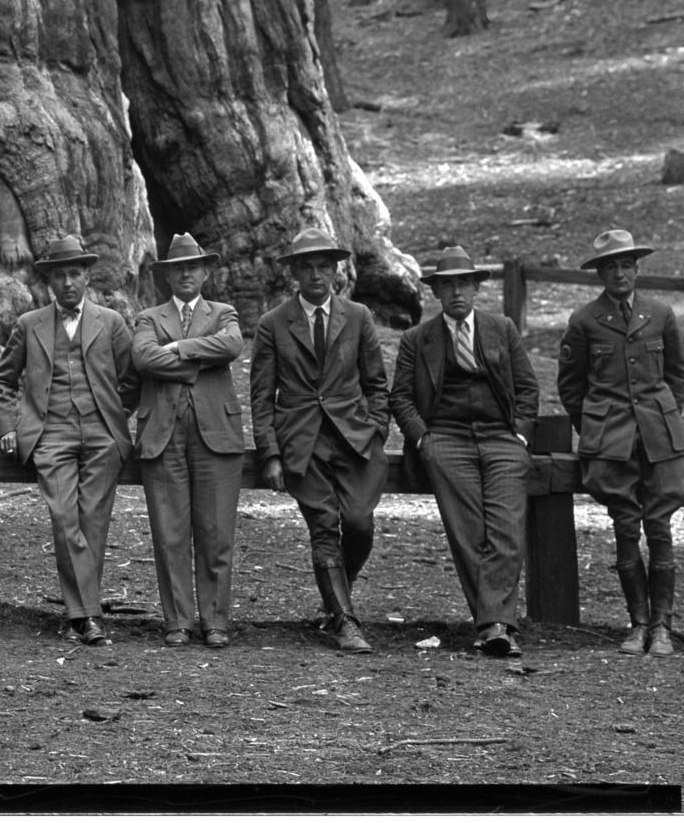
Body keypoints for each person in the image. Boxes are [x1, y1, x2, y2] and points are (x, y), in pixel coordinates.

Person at [390, 245, 539, 658]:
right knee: (467, 529)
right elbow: (400, 397)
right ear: (436, 293)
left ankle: (492, 623)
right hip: (446, 439)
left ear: (476, 288)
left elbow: (527, 388)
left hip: (501, 439)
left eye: (463, 284)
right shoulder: (417, 340)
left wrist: (521, 436)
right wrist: (423, 439)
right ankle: (497, 625)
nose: (456, 292)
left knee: (506, 527)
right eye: (447, 285)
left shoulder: (501, 328)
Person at [250, 227, 390, 654]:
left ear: (335, 270)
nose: (315, 275)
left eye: (323, 266)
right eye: (306, 267)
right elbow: (261, 397)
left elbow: (376, 384)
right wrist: (270, 453)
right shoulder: (273, 323)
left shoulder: (358, 316)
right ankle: (345, 622)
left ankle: (332, 604)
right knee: (324, 528)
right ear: (294, 273)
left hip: (354, 440)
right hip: (301, 441)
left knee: (360, 525)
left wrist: (376, 429)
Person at [0, 234, 138, 646]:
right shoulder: (29, 324)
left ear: (87, 277)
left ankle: (80, 616)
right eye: (60, 275)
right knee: (64, 518)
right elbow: (2, 380)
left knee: (93, 519)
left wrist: (116, 415)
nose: (68, 282)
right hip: (49, 433)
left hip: (101, 434)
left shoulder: (110, 322)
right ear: (49, 282)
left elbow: (132, 378)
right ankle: (88, 616)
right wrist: (8, 427)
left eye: (75, 273)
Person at [558, 228, 684, 657]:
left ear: (637, 269)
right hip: (610, 440)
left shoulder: (660, 314)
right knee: (626, 526)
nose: (620, 273)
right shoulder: (584, 321)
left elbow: (677, 376)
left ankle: (663, 628)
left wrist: (663, 418)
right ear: (600, 273)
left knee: (661, 525)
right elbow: (571, 388)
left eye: (626, 264)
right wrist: (595, 428)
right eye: (611, 266)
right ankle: (636, 624)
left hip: (659, 437)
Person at [130, 233, 246, 649]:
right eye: (177, 268)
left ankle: (215, 621)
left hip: (216, 434)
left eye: (192, 267)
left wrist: (178, 348)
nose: (185, 274)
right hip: (162, 434)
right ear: (166, 276)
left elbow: (231, 345)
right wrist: (199, 359)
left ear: (205, 272)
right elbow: (143, 358)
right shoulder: (148, 318)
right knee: (169, 533)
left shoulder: (224, 312)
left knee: (216, 533)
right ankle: (177, 620)